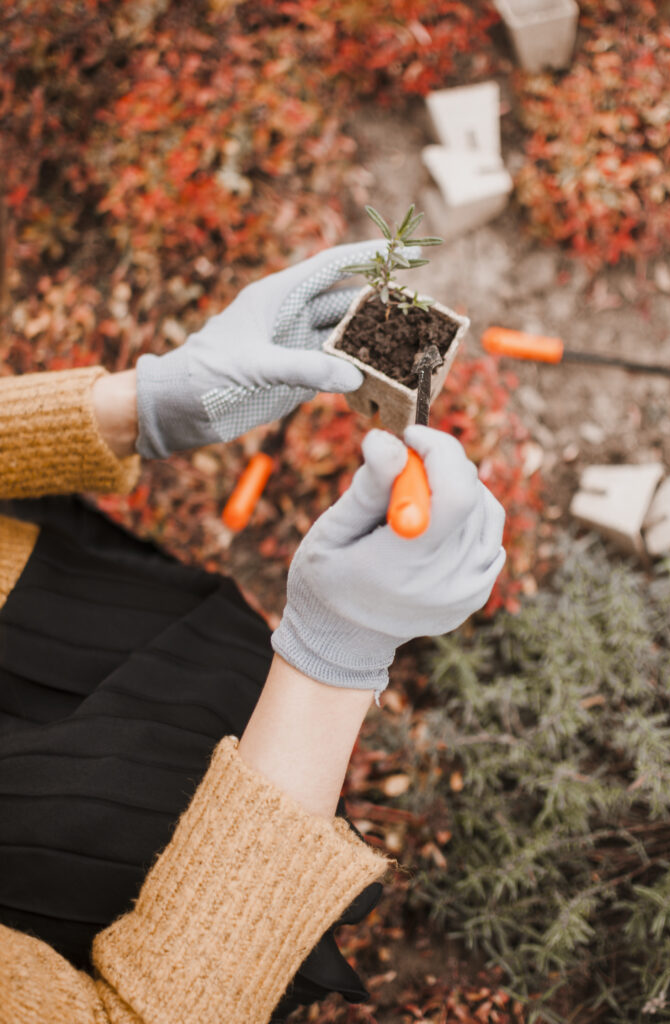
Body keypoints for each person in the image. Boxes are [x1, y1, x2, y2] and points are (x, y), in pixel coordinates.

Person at [0, 242, 506, 1024]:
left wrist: (149, 403)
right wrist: (330, 661)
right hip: (62, 846)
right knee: (166, 806)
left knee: (204, 666)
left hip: (37, 597)